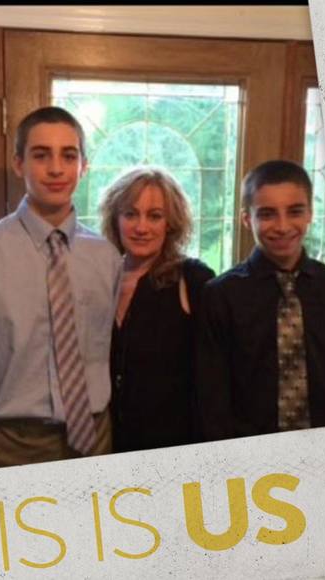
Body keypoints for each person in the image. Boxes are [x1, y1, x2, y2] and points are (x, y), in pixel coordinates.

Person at [0, 106, 122, 469]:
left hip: (94, 435)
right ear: (19, 164)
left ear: (84, 166)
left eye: (69, 156)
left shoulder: (106, 257)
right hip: (10, 442)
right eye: (41, 155)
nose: (56, 169)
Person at [196, 159, 325, 441]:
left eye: (295, 211)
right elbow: (212, 396)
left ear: (310, 213)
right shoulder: (220, 295)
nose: (282, 226)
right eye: (267, 214)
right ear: (247, 219)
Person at [100, 166, 214, 452]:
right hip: (106, 444)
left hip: (175, 448)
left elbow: (215, 379)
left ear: (170, 224)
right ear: (115, 220)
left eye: (154, 216)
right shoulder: (100, 279)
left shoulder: (193, 279)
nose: (141, 228)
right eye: (130, 214)